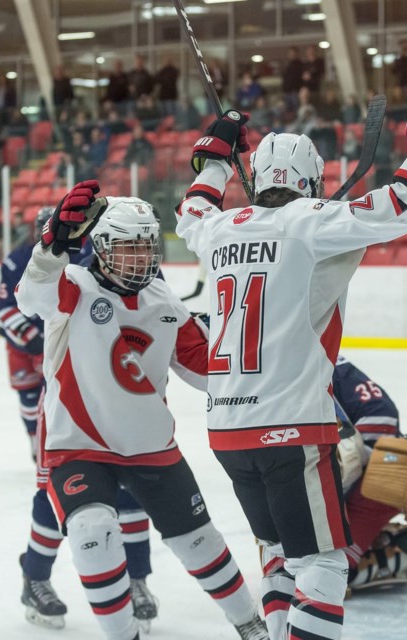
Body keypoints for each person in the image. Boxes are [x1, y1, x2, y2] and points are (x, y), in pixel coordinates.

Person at [176, 72, 407, 639]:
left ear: (257, 178)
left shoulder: (214, 230)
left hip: (225, 431)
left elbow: (189, 210)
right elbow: (404, 203)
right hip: (292, 427)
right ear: (312, 180)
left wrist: (216, 154)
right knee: (323, 563)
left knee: (277, 551)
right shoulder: (312, 221)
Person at [16, 189, 268, 640]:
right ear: (101, 247)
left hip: (150, 444)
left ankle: (251, 624)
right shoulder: (72, 285)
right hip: (80, 446)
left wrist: (263, 359)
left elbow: (207, 368)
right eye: (128, 246)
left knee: (199, 542)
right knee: (93, 534)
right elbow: (30, 296)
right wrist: (51, 247)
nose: (140, 256)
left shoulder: (164, 301)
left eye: (146, 244)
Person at [0, 207, 160, 631]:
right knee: (54, 499)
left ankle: (136, 580)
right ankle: (34, 578)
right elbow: (18, 306)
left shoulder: (111, 259)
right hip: (68, 407)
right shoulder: (46, 267)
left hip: (120, 403)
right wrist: (47, 345)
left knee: (132, 493)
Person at [331, 356, 407, 591]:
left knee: (330, 576)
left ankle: (398, 555)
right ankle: (379, 542)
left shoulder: (315, 359)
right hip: (367, 475)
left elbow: (381, 415)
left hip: (380, 482)